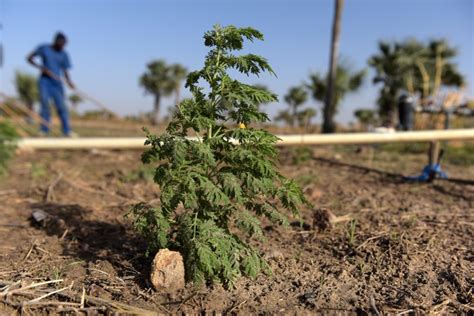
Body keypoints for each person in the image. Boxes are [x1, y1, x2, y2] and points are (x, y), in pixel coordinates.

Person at [27, 32, 76, 136]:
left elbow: (65, 70)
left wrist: (69, 82)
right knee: (45, 104)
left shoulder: (64, 54)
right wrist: (41, 68)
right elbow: (29, 58)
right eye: (61, 44)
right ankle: (44, 130)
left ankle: (67, 131)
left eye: (64, 45)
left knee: (61, 106)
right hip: (45, 81)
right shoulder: (44, 48)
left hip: (57, 83)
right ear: (56, 42)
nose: (62, 46)